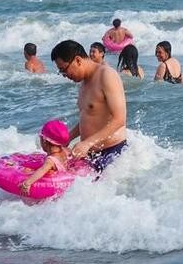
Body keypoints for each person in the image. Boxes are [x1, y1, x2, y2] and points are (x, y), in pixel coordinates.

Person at [51, 40, 128, 173]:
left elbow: (119, 119)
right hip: (90, 153)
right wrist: (68, 138)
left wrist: (87, 143)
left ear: (78, 60)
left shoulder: (107, 75)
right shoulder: (84, 83)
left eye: (64, 70)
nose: (65, 76)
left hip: (112, 152)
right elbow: (88, 118)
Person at [19, 120, 77, 195]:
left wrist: (27, 183)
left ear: (44, 141)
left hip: (53, 186)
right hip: (64, 181)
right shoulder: (66, 150)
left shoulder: (51, 160)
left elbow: (42, 170)